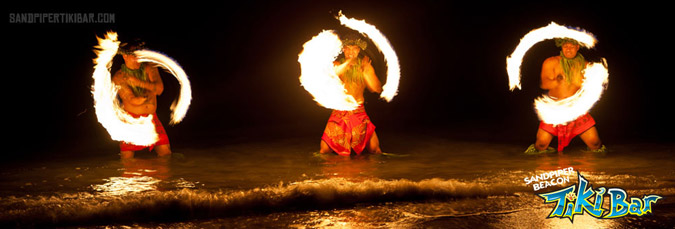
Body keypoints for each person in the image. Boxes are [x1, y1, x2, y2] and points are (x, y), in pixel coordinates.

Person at [525, 38, 606, 154]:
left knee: (595, 143)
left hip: (576, 111)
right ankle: (539, 166)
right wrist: (557, 81)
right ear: (561, 47)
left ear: (577, 47)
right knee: (541, 144)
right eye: (565, 46)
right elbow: (544, 83)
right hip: (555, 110)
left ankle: (599, 168)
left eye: (572, 46)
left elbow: (591, 86)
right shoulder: (551, 62)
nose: (568, 49)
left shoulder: (585, 65)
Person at [319, 33, 384, 156]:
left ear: (358, 50)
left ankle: (376, 174)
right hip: (339, 112)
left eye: (354, 48)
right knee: (324, 150)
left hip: (358, 112)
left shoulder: (365, 66)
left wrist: (365, 72)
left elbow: (376, 89)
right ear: (343, 50)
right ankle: (327, 174)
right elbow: (332, 75)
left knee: (375, 150)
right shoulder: (337, 65)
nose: (350, 52)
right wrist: (348, 63)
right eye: (347, 48)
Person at [112, 41, 172, 159]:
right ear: (125, 56)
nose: (138, 59)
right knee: (127, 158)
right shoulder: (119, 77)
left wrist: (138, 82)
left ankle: (163, 176)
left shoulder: (150, 68)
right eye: (134, 56)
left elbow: (159, 89)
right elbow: (133, 100)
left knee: (165, 153)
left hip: (151, 118)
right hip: (131, 121)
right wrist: (148, 92)